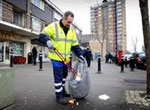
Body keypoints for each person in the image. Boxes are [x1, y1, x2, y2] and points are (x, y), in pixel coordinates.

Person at [39, 11, 84, 105]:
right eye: (68, 22)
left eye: (71, 22)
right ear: (63, 18)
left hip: (66, 58)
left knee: (64, 75)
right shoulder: (53, 26)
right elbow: (42, 35)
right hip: (56, 56)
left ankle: (62, 91)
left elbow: (75, 44)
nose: (70, 24)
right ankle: (59, 96)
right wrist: (47, 40)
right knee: (58, 76)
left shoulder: (71, 30)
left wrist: (80, 55)